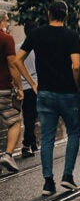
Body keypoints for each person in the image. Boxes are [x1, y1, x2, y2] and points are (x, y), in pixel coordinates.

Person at [15, 0, 80, 196]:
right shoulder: (71, 35)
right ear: (66, 15)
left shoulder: (37, 34)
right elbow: (76, 66)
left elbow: (18, 59)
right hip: (68, 93)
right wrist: (78, 87)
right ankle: (67, 176)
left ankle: (48, 182)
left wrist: (32, 82)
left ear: (48, 13)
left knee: (46, 138)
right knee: (74, 133)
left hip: (44, 93)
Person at [0, 12, 23, 173]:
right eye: (7, 20)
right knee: (15, 120)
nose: (8, 23)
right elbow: (13, 65)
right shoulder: (6, 39)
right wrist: (19, 87)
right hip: (3, 90)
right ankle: (8, 154)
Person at [18, 21, 39, 158]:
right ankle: (27, 143)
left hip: (23, 87)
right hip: (36, 86)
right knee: (33, 116)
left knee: (28, 116)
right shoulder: (38, 48)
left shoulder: (17, 47)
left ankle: (32, 142)